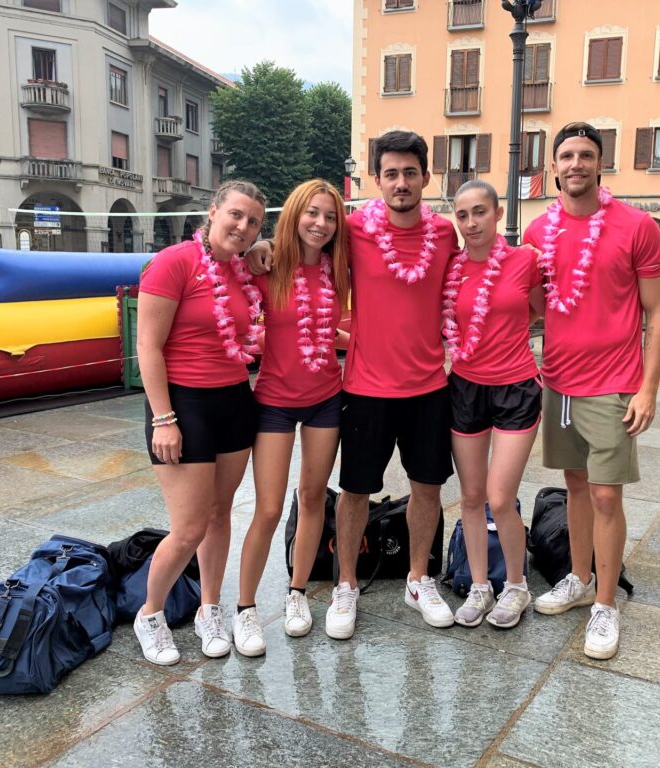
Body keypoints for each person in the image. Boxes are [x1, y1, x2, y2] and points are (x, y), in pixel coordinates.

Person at [249, 131, 460, 639]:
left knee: (427, 488)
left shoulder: (446, 234)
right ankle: (345, 584)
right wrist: (260, 246)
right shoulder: (353, 228)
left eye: (411, 172)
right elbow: (305, 229)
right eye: (391, 173)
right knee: (353, 492)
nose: (401, 182)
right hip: (365, 387)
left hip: (429, 385)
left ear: (426, 178)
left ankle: (417, 579)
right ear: (377, 180)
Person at [523, 123, 660, 659]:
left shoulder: (637, 226)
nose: (575, 164)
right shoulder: (540, 232)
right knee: (576, 485)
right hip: (559, 381)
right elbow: (538, 305)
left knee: (608, 494)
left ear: (599, 163)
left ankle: (605, 605)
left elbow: (658, 311)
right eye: (566, 155)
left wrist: (648, 388)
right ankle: (579, 578)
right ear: (554, 167)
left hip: (614, 383)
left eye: (586, 155)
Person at [133, 180, 266, 665]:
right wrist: (163, 419)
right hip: (181, 403)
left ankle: (210, 608)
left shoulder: (243, 271)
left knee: (219, 513)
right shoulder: (175, 261)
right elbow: (147, 346)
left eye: (253, 222)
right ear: (212, 211)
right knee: (187, 527)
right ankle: (150, 614)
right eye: (235, 215)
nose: (243, 227)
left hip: (233, 398)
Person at [232, 180, 350, 657]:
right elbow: (227, 279)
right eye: (312, 213)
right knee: (267, 508)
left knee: (314, 497)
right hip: (274, 402)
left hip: (326, 398)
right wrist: (258, 245)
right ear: (295, 214)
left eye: (329, 216)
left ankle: (297, 593)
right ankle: (244, 609)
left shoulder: (338, 269)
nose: (320, 223)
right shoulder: (266, 267)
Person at [443, 180, 543, 630]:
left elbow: (540, 311)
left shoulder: (525, 261)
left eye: (479, 212)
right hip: (465, 387)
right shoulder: (452, 268)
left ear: (498, 214)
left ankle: (517, 585)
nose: (470, 222)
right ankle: (481, 584)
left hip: (516, 387)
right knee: (470, 495)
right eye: (462, 215)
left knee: (500, 498)